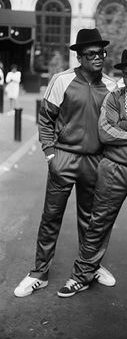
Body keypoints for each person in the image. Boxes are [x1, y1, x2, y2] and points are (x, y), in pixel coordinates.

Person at [57, 48, 127, 303]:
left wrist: (125, 125)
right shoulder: (113, 98)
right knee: (97, 223)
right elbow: (105, 133)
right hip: (113, 169)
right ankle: (82, 275)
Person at [14, 28, 117, 298]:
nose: (98, 58)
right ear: (80, 57)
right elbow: (46, 119)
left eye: (101, 53)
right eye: (91, 54)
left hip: (96, 161)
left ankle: (90, 266)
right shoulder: (62, 80)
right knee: (51, 217)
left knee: (91, 220)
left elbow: (115, 127)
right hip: (65, 157)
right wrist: (50, 153)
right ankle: (39, 273)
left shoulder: (111, 85)